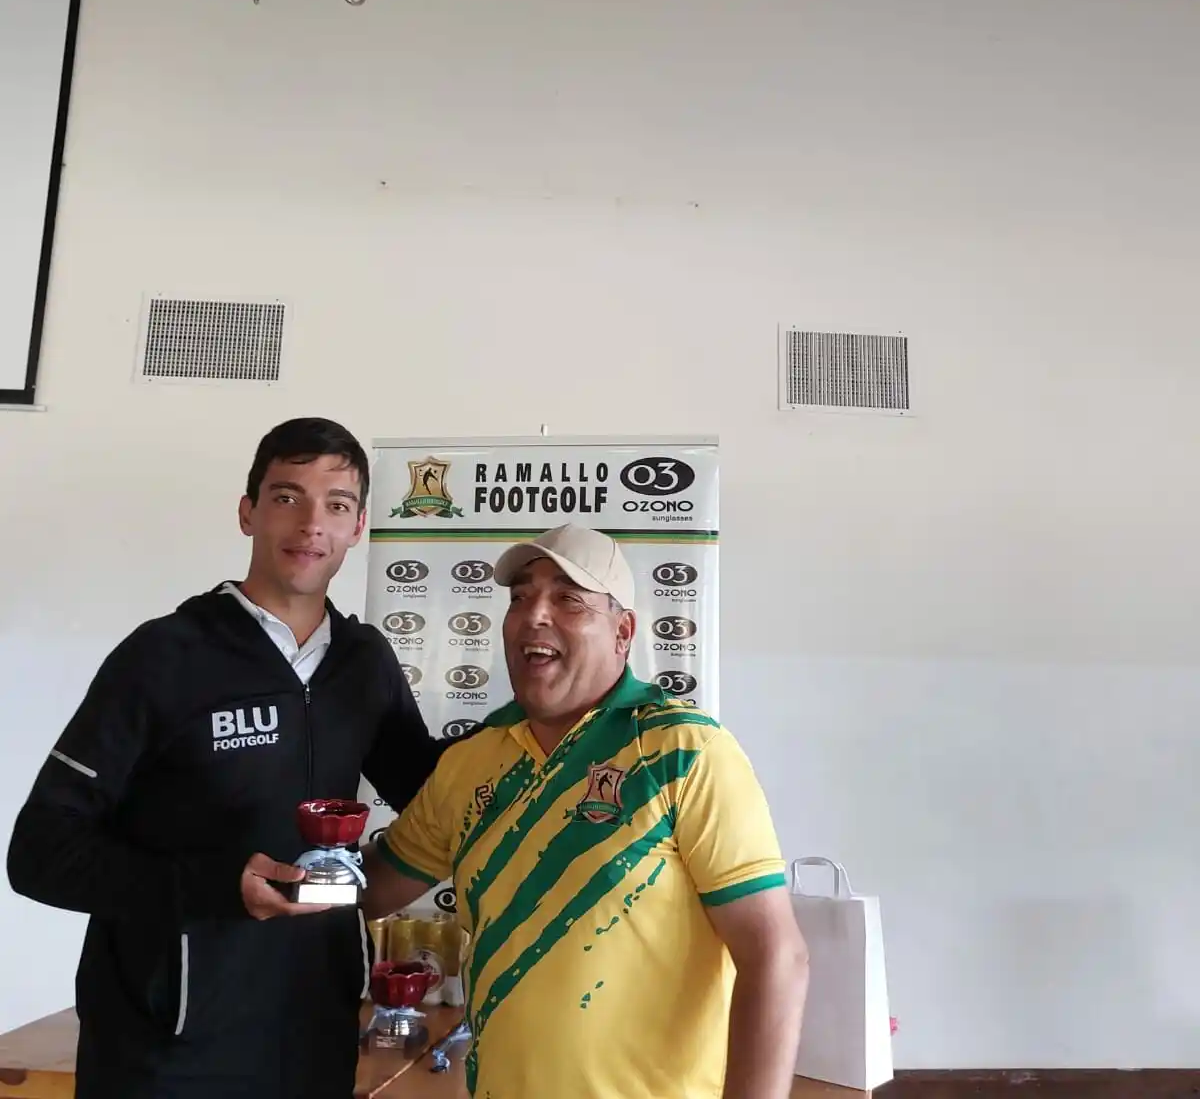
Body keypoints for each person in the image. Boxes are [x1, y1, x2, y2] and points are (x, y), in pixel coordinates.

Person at [7, 417, 443, 1099]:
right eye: (287, 497)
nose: (312, 524)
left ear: (359, 526)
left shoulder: (365, 663)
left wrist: (543, 716)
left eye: (336, 504)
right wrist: (212, 885)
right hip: (168, 1051)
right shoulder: (164, 655)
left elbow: (437, 791)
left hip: (314, 1035)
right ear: (248, 513)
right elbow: (39, 852)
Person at [358, 523, 809, 1099]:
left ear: (623, 632)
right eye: (520, 598)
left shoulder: (683, 751)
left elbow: (776, 957)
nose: (534, 615)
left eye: (569, 599)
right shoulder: (470, 762)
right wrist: (283, 865)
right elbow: (374, 888)